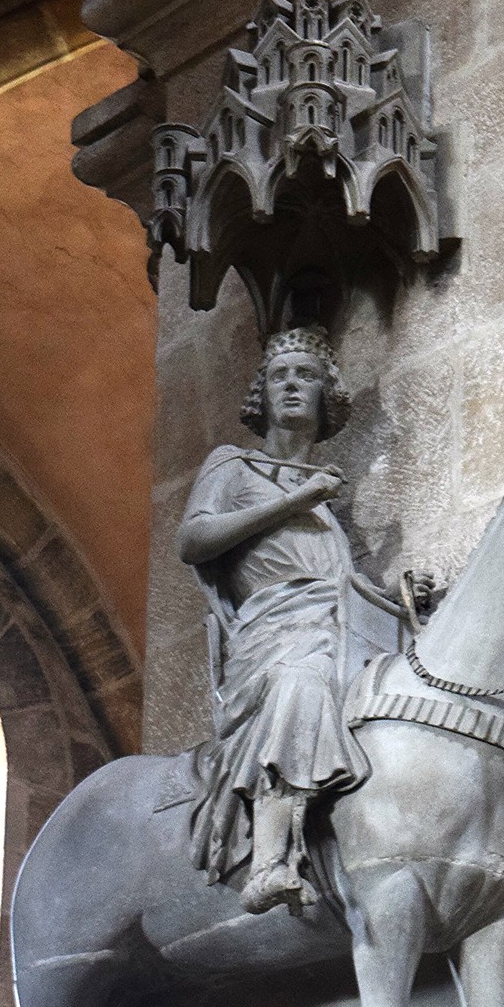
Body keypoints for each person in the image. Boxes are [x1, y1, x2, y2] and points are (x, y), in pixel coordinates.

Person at [176, 326, 373, 915]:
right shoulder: (233, 467)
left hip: (336, 627)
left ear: (325, 397)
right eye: (279, 375)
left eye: (305, 376)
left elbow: (343, 583)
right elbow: (193, 540)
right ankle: (268, 861)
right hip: (275, 633)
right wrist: (296, 500)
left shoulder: (327, 506)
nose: (291, 385)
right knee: (303, 682)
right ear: (261, 394)